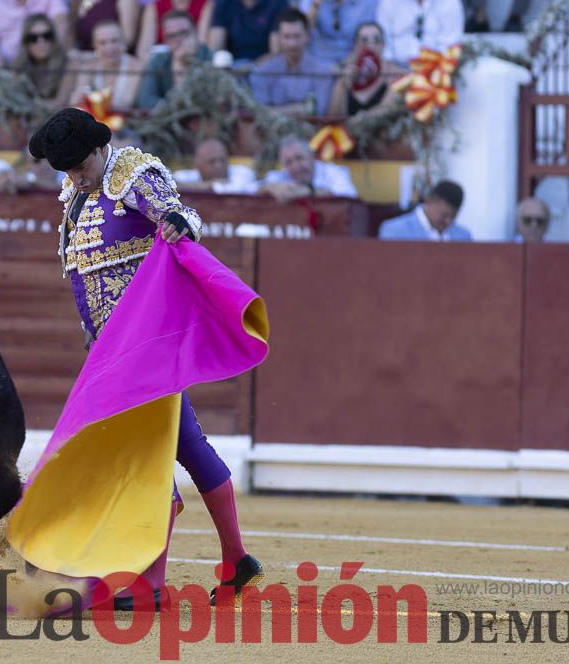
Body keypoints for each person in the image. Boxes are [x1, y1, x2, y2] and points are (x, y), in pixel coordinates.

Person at [26, 106, 263, 608]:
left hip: (145, 346)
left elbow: (184, 217)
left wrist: (178, 222)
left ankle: (149, 583)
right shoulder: (75, 191)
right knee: (183, 448)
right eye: (65, 169)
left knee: (148, 457)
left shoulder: (132, 175)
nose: (73, 176)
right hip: (109, 352)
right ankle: (234, 560)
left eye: (78, 165)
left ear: (97, 148)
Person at [248, 8, 336, 114]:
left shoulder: (323, 72)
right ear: (278, 37)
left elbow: (319, 111)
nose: (292, 44)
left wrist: (276, 111)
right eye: (287, 37)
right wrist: (299, 108)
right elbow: (260, 113)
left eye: (297, 36)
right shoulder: (262, 72)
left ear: (308, 36)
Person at [136, 9, 212, 108]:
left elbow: (211, 101)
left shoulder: (212, 59)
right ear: (166, 41)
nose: (178, 39)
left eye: (184, 33)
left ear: (196, 32)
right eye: (171, 36)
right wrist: (178, 64)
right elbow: (145, 100)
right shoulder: (158, 61)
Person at [61, 20, 143, 110]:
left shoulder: (136, 67)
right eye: (102, 43)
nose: (109, 48)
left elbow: (128, 103)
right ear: (95, 46)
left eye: (114, 41)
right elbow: (75, 102)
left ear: (123, 42)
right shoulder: (89, 67)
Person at [326, 21, 402, 116]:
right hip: (346, 130)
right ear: (356, 46)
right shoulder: (346, 73)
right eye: (364, 40)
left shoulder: (393, 74)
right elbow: (332, 116)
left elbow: (386, 112)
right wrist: (342, 85)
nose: (371, 45)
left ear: (383, 44)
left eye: (377, 40)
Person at [259, 134, 358, 199]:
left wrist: (310, 191)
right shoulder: (282, 176)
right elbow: (252, 189)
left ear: (312, 157)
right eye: (288, 162)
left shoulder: (335, 173)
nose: (295, 167)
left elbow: (348, 198)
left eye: (299, 158)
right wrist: (271, 188)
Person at [378, 178, 472, 240]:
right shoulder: (394, 231)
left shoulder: (463, 236)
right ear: (429, 202)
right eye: (444, 215)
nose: (448, 221)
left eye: (453, 216)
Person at [12, 13, 68, 104]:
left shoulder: (68, 65)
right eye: (33, 38)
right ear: (26, 42)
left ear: (53, 39)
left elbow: (61, 103)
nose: (41, 42)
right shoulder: (18, 68)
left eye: (47, 36)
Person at [173, 136, 257, 193]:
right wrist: (205, 185)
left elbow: (228, 189)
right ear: (197, 165)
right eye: (211, 162)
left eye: (222, 160)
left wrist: (207, 186)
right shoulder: (190, 175)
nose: (218, 166)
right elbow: (168, 185)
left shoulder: (243, 173)